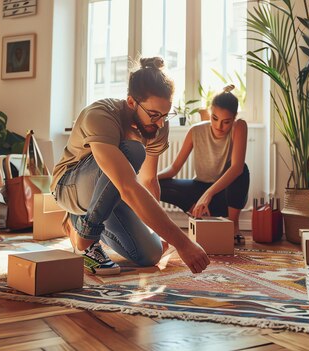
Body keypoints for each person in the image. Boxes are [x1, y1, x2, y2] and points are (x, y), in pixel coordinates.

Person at [52, 56, 210, 276]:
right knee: (133, 151)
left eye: (166, 115)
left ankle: (79, 222)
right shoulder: (101, 115)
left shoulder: (157, 125)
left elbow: (148, 181)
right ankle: (87, 238)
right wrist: (183, 243)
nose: (160, 123)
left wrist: (159, 232)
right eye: (154, 115)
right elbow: (127, 186)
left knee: (151, 254)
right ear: (131, 102)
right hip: (70, 186)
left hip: (111, 190)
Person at [158, 85, 249, 244]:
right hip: (198, 190)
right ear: (210, 112)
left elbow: (237, 168)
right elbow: (174, 168)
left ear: (234, 118)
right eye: (215, 118)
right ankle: (196, 210)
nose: (219, 126)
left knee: (243, 171)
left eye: (226, 122)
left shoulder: (239, 127)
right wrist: (150, 178)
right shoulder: (195, 131)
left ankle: (233, 226)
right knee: (159, 184)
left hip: (223, 195)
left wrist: (208, 195)